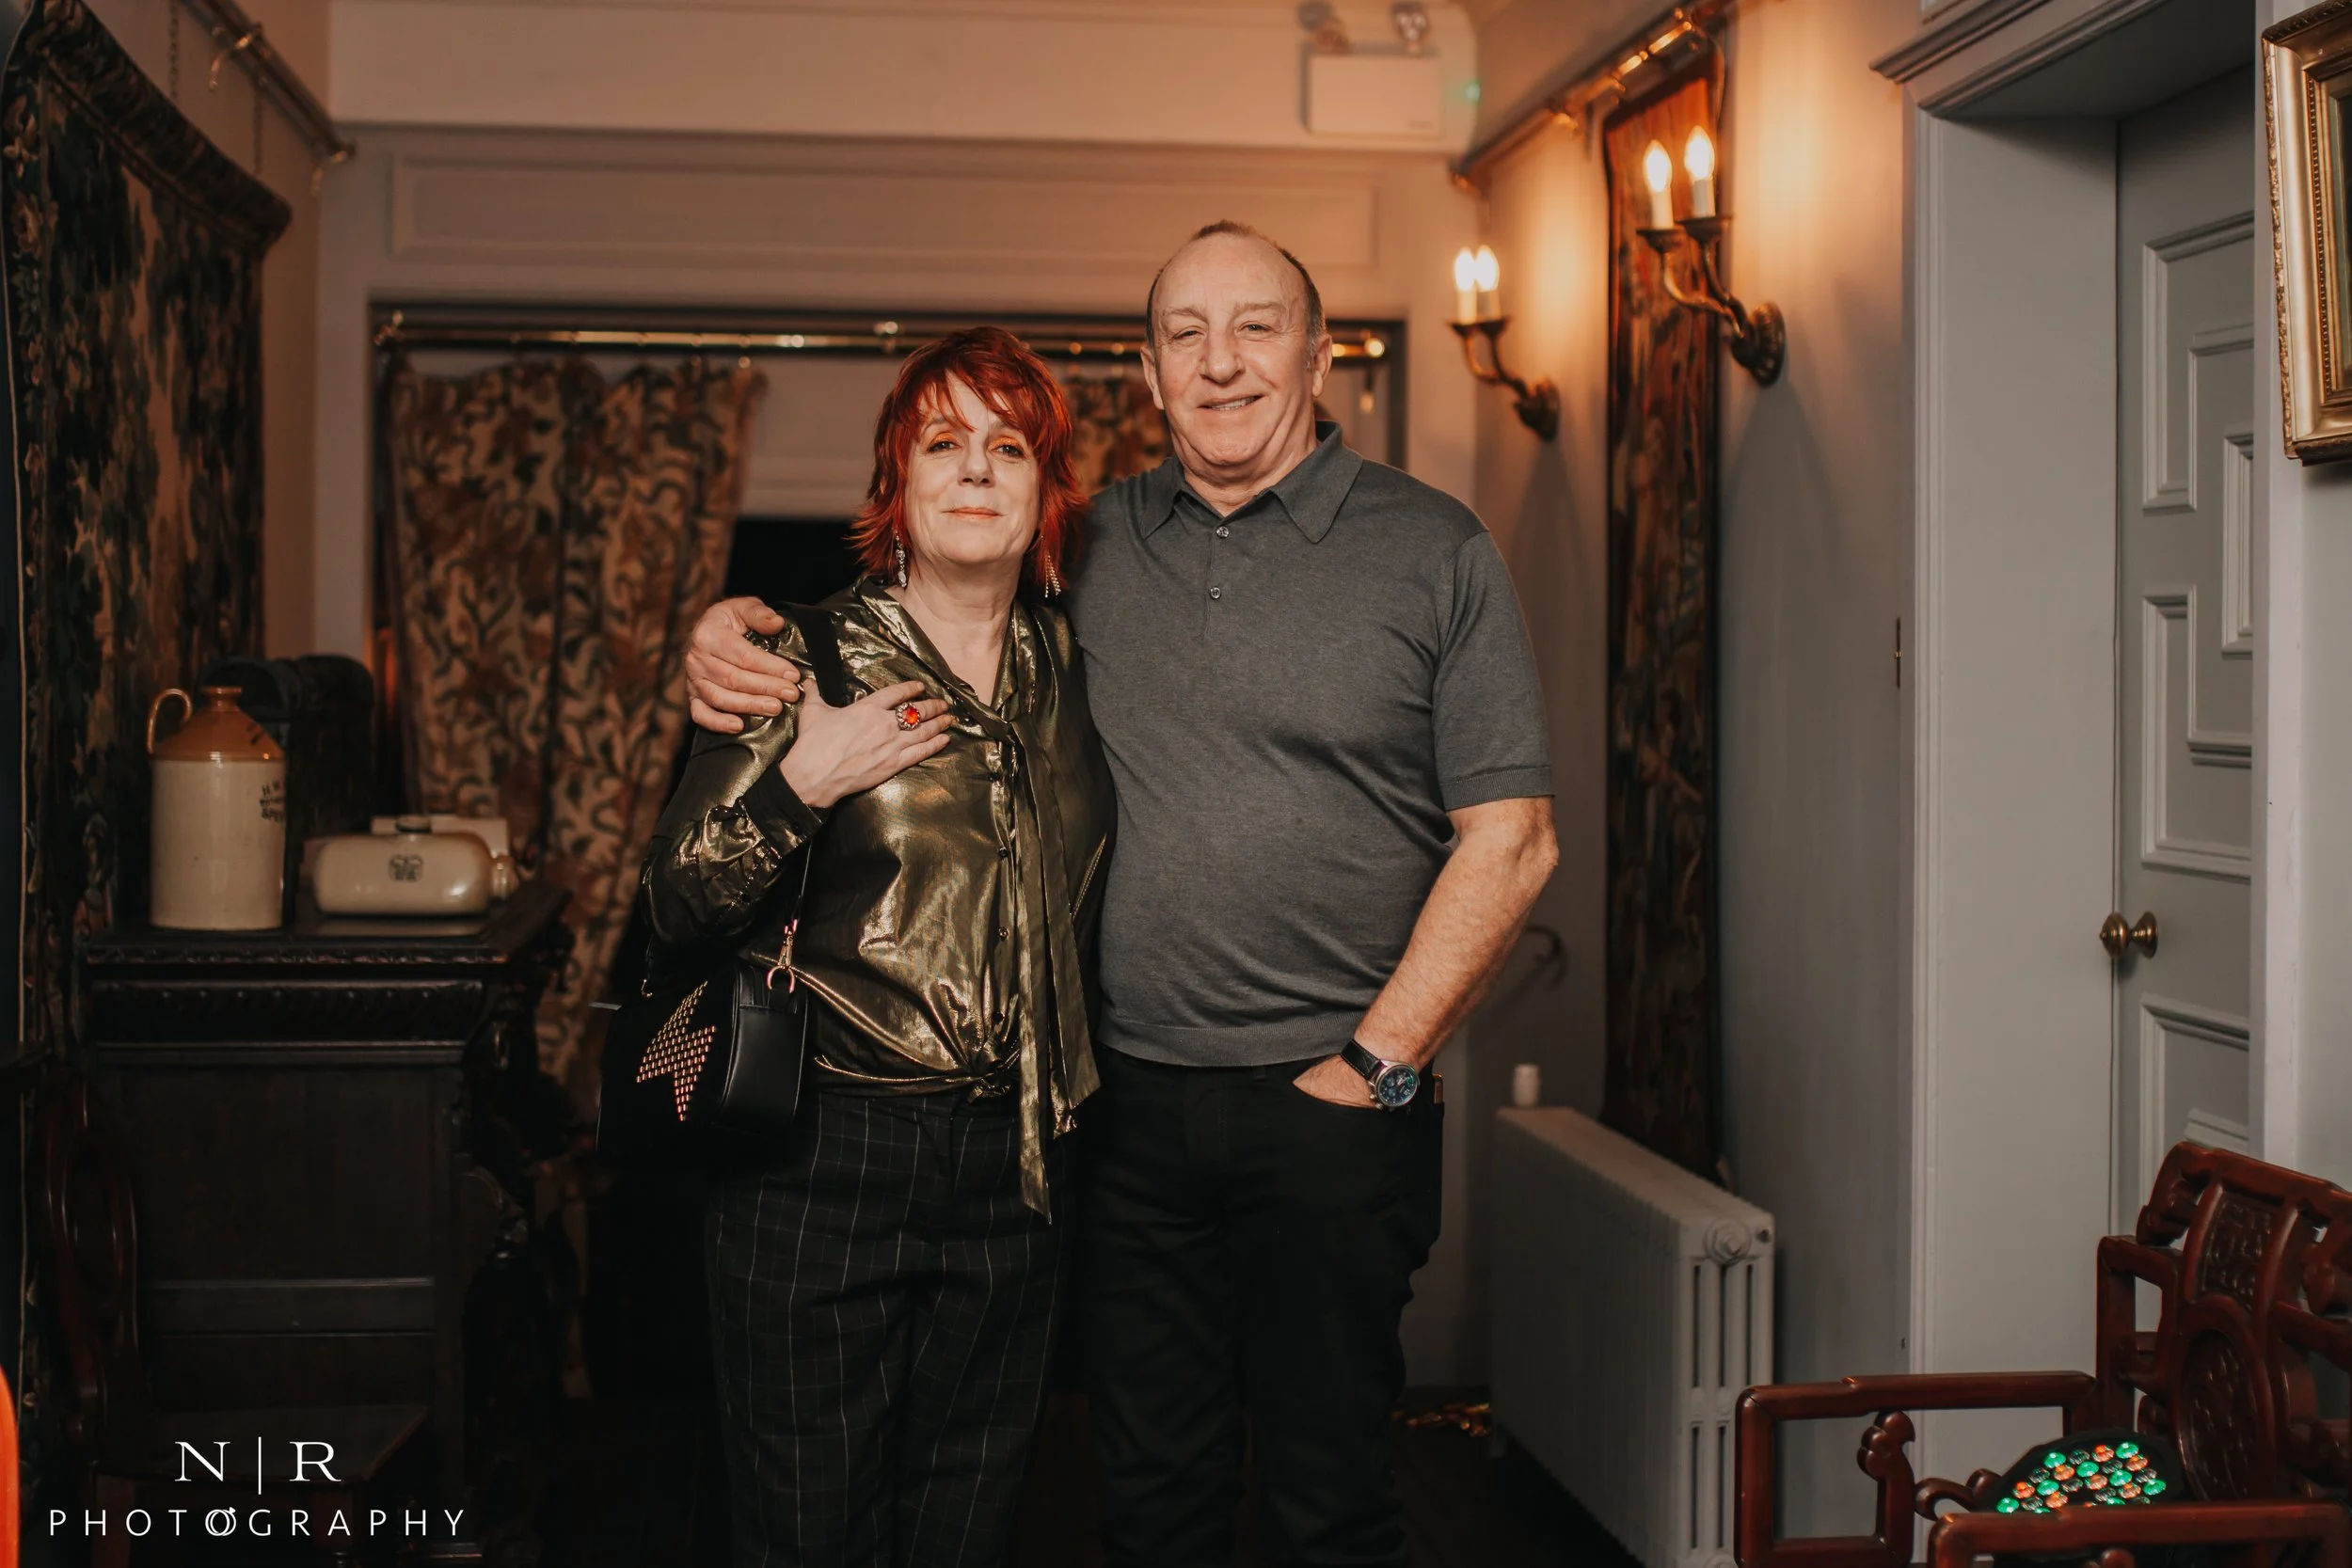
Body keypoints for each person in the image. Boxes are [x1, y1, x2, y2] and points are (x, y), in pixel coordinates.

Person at [683, 224, 1558, 1568]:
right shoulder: (1083, 547)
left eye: (1257, 327)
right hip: (1121, 1113)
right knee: (1150, 1504)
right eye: (1185, 335)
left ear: (1319, 357)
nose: (1222, 364)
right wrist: (732, 628)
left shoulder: (1434, 548)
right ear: (1148, 373)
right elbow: (925, 584)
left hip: (1335, 1101)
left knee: (1332, 1504)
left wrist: (1376, 1068)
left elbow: (1515, 842)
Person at [640, 325, 1115, 1568]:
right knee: (809, 1533)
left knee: (969, 1527)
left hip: (1019, 1167)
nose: (977, 468)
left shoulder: (1077, 666)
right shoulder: (799, 656)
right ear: (895, 483)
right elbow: (675, 900)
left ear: (1046, 491)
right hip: (823, 1153)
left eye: (1010, 446)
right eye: (944, 443)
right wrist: (805, 777)